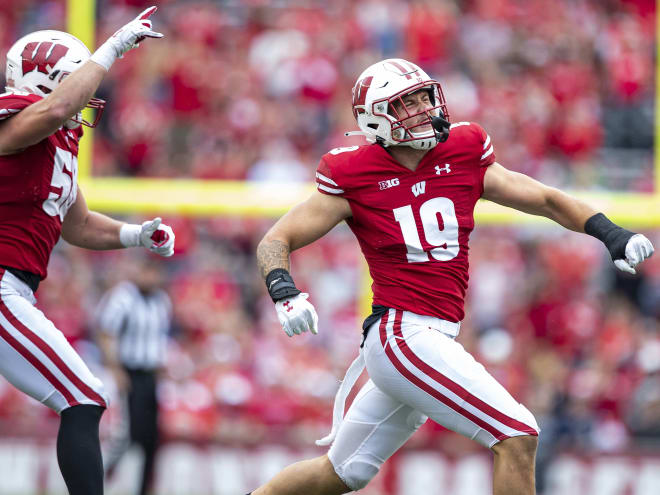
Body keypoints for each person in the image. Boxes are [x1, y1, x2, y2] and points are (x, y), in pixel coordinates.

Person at [251, 58, 654, 495]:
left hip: (433, 335)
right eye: (407, 103)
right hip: (402, 333)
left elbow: (545, 198)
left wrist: (609, 232)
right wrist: (283, 290)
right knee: (517, 433)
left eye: (425, 96)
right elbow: (277, 239)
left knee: (342, 472)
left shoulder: (463, 150)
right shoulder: (352, 172)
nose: (424, 108)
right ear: (376, 119)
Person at [0, 7, 174, 495]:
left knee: (82, 395)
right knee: (83, 394)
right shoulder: (20, 121)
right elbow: (53, 108)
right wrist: (111, 48)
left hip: (15, 287)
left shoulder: (58, 140)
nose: (84, 98)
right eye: (74, 82)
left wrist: (136, 235)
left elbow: (77, 225)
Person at [96, 256, 173, 495]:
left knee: (152, 437)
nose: (149, 277)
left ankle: (144, 488)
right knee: (130, 433)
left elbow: (159, 339)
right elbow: (106, 333)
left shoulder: (162, 301)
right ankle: (103, 472)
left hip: (151, 374)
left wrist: (162, 370)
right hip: (129, 371)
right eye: (145, 271)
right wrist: (116, 369)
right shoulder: (123, 297)